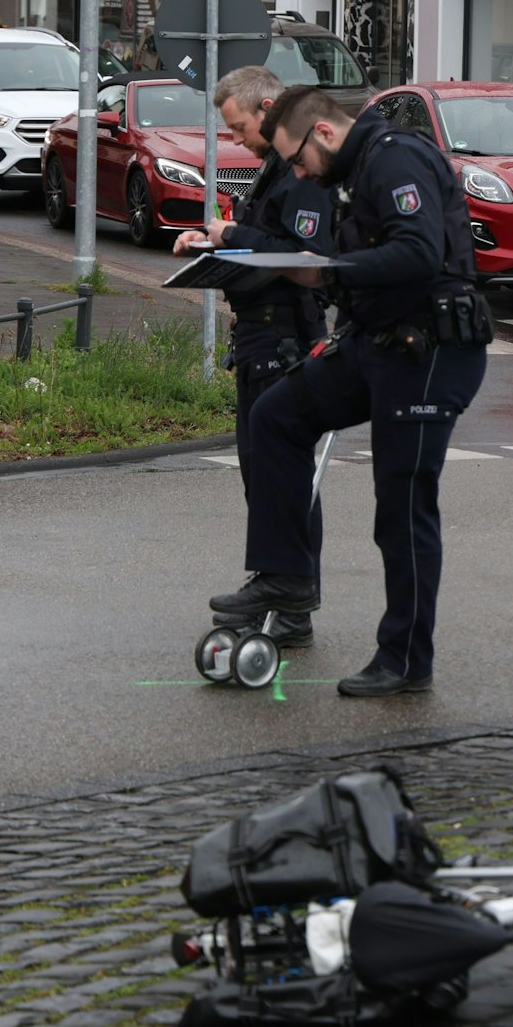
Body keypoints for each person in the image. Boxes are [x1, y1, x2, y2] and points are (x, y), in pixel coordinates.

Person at [208, 86, 492, 697]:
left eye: (300, 161)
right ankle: (286, 577)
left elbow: (418, 253)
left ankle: (405, 661)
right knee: (276, 414)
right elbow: (324, 262)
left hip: (431, 350)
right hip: (376, 342)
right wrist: (250, 255)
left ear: (325, 134)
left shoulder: (396, 158)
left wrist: (336, 271)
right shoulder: (353, 171)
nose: (299, 173)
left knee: (401, 508)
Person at [174, 66, 333, 647]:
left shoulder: (304, 171)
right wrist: (219, 238)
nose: (236, 140)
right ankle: (284, 596)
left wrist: (228, 236)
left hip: (285, 334)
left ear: (268, 107)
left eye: (240, 128)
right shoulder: (274, 170)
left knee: (282, 475)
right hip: (260, 336)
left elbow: (302, 251)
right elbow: (265, 236)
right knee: (265, 475)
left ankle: (290, 602)